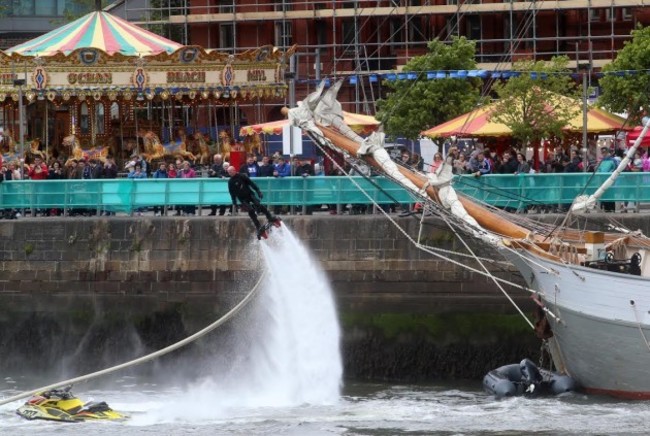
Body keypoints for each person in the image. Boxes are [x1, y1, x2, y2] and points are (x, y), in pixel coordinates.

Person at [227, 164, 278, 235]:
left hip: (250, 194)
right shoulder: (230, 182)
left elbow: (251, 183)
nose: (230, 173)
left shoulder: (242, 176)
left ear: (234, 170)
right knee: (250, 211)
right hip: (242, 199)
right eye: (228, 172)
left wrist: (258, 191)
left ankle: (269, 217)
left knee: (258, 205)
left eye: (231, 171)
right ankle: (258, 226)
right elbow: (232, 193)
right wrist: (234, 203)